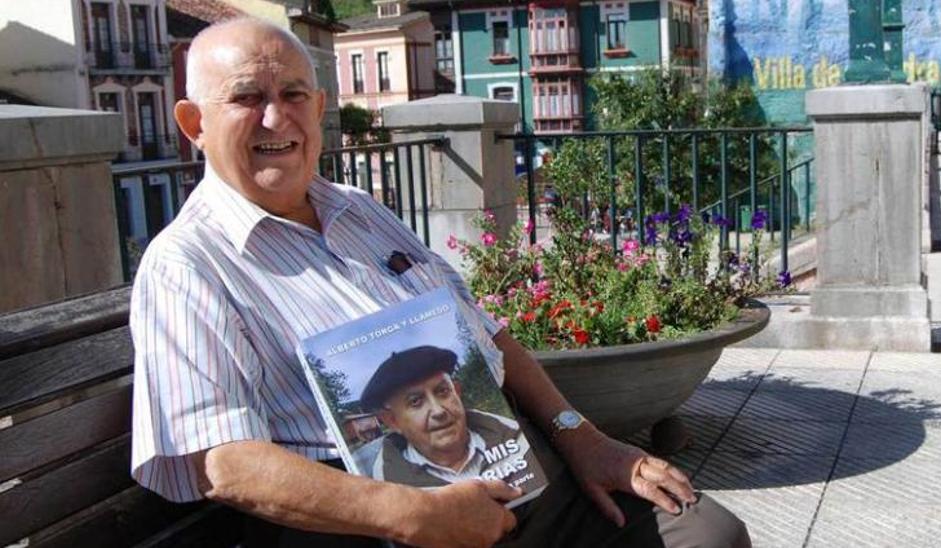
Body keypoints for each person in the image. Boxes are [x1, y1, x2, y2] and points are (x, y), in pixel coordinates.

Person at [128, 17, 749, 548]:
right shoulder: (187, 264)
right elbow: (224, 464)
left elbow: (491, 337)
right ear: (193, 122)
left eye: (293, 93)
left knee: (707, 535)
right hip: (368, 525)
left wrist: (583, 438)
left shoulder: (361, 210)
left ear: (319, 110)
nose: (275, 116)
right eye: (245, 98)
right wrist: (416, 516)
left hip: (515, 474)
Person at [359, 346, 530, 487]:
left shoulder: (514, 436)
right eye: (416, 401)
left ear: (457, 392)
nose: (438, 411)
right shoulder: (391, 490)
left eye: (442, 391)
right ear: (392, 421)